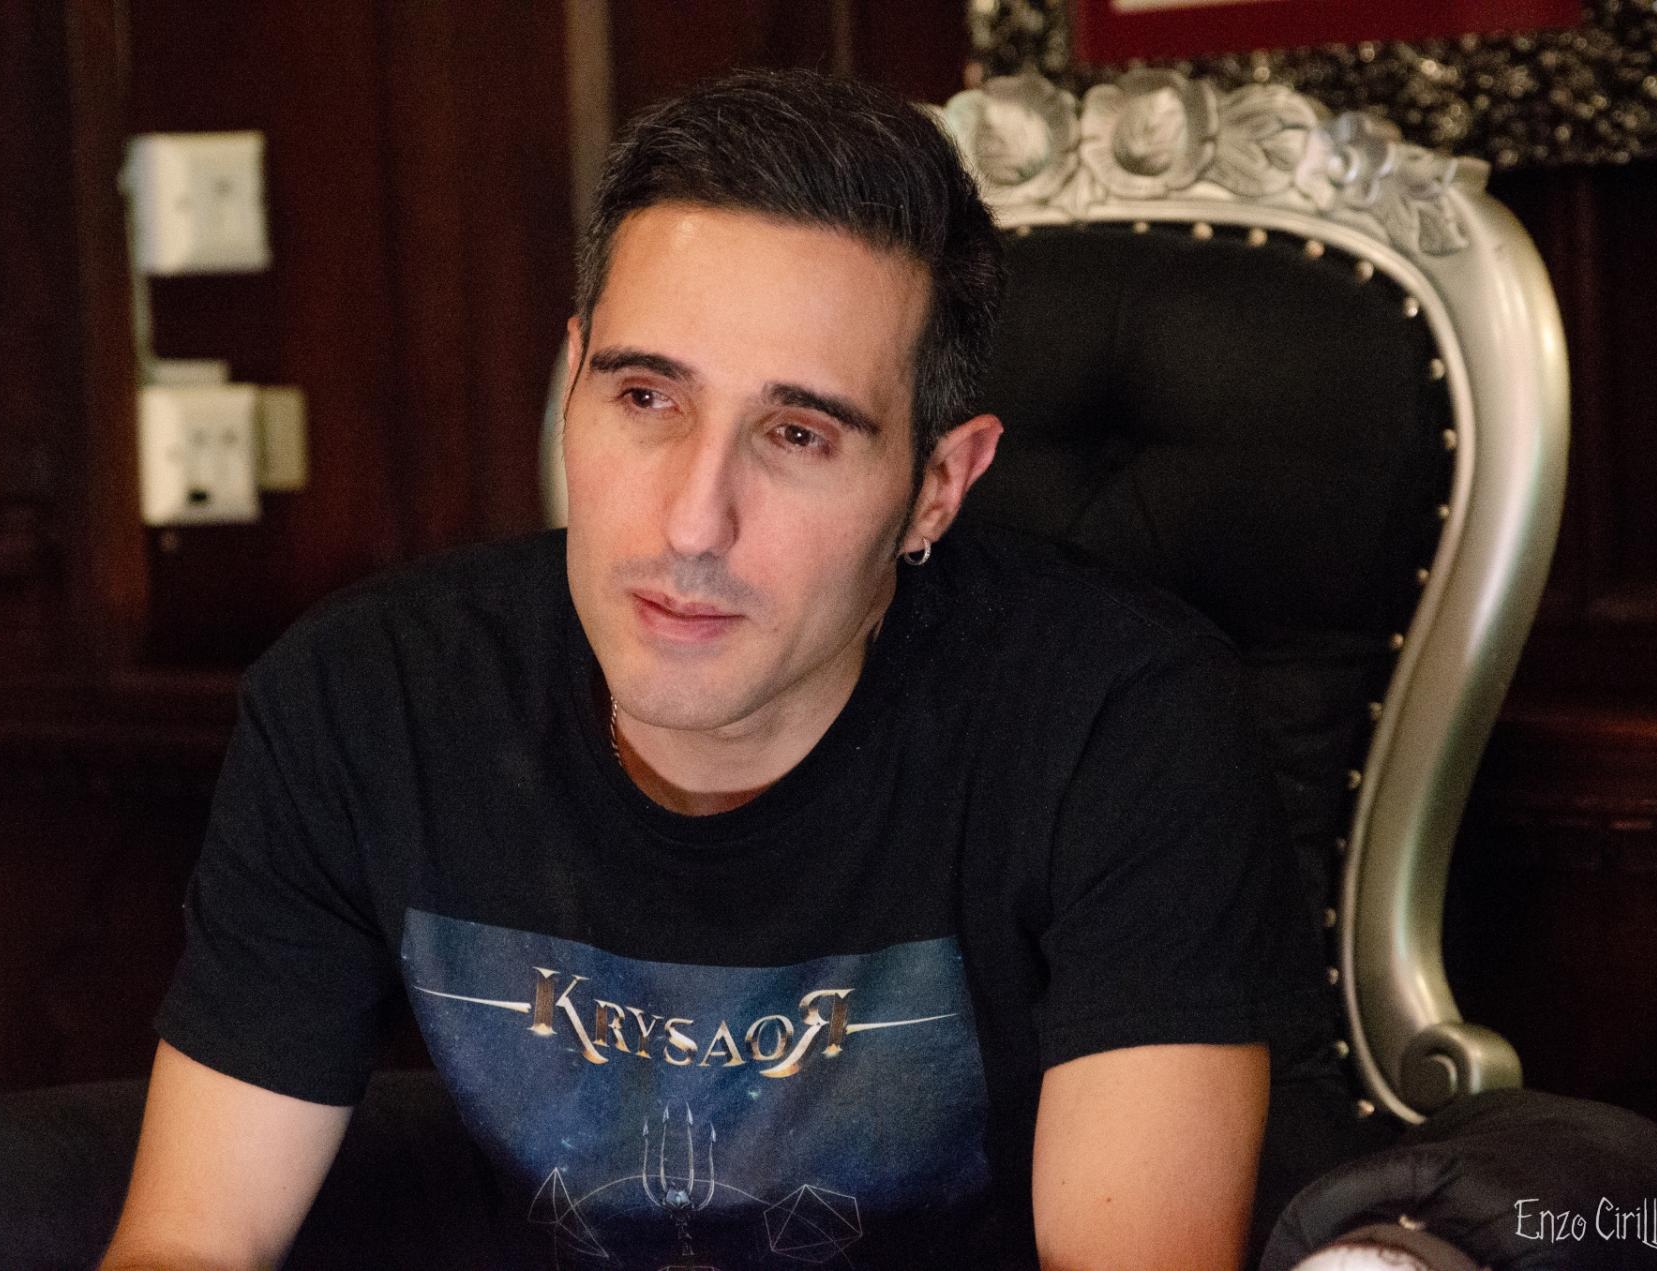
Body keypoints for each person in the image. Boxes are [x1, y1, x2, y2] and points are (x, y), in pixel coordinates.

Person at [100, 68, 1319, 1270]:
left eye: (797, 434)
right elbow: (193, 1237)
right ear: (573, 382)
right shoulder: (365, 699)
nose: (693, 522)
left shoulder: (1124, 724)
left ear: (937, 486)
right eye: (646, 396)